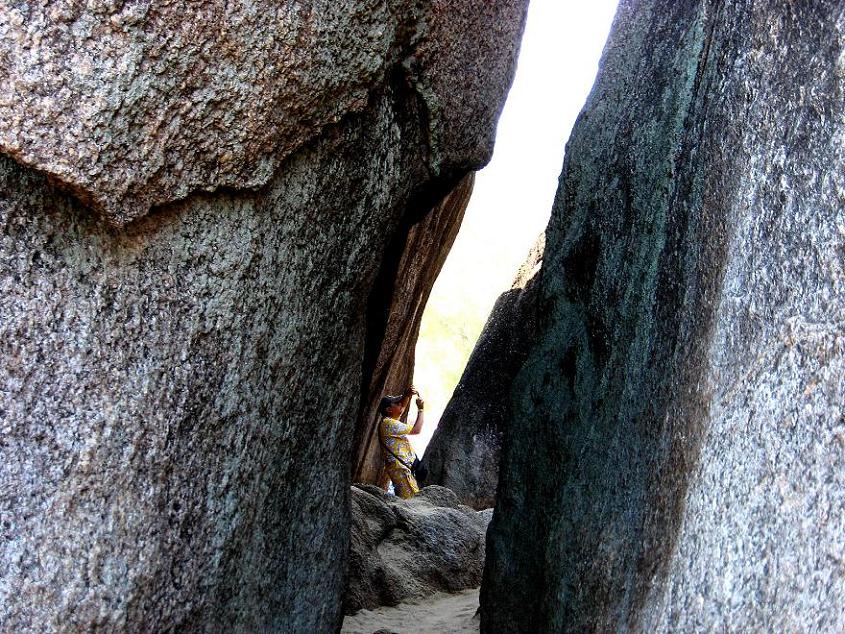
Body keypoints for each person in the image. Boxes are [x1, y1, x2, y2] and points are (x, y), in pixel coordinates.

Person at [378, 385, 425, 499]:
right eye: (397, 403)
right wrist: (421, 410)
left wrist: (407, 395)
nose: (401, 405)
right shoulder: (389, 424)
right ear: (389, 410)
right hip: (401, 472)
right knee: (410, 502)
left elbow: (402, 407)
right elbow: (416, 430)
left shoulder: (389, 420)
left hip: (403, 470)